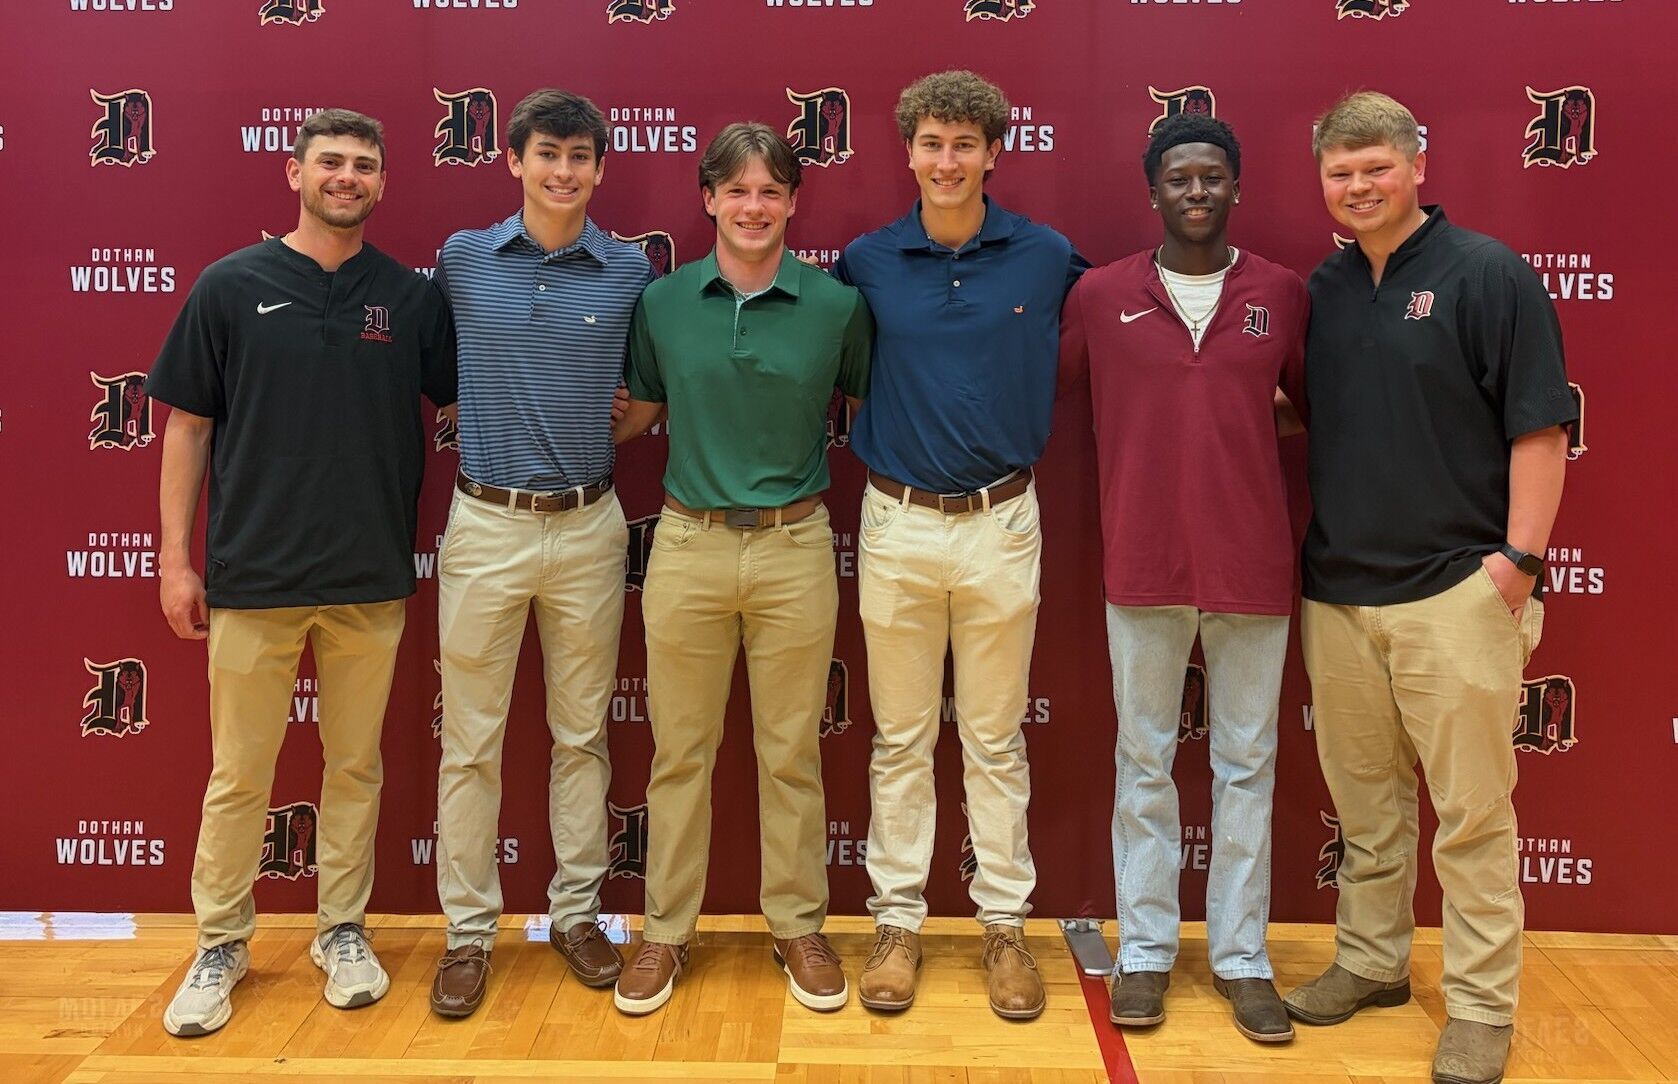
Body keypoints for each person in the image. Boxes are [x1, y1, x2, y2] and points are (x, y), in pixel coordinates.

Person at [1282, 91, 1573, 1084]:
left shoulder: (1487, 274)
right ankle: (1369, 962)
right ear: (1320, 181)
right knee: (1364, 811)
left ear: (1416, 165)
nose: (1357, 185)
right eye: (1338, 171)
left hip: (1457, 589)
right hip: (1337, 591)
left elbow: (1540, 428)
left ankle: (1483, 1005)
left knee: (1473, 816)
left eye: (1375, 166)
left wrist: (1516, 565)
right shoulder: (1319, 288)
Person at [147, 109, 457, 1036]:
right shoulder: (229, 286)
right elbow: (188, 428)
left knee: (354, 767)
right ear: (294, 172)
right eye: (331, 162)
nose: (347, 177)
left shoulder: (408, 296)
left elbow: (466, 401)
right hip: (253, 577)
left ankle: (341, 930)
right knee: (241, 773)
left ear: (383, 183)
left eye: (365, 165)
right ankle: (221, 942)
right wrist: (174, 560)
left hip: (370, 576)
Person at [832, 70, 1086, 1020]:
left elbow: (1121, 337)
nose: (948, 161)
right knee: (899, 738)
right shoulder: (866, 259)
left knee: (993, 739)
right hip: (896, 521)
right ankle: (896, 923)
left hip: (1003, 522)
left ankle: (1004, 928)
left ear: (993, 153)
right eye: (932, 143)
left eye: (965, 144)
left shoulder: (1045, 253)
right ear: (908, 152)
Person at [611, 122, 873, 1017]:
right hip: (686, 547)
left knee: (790, 753)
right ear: (708, 199)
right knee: (680, 752)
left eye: (770, 191)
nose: (753, 207)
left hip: (798, 546)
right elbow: (637, 414)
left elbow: (878, 408)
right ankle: (664, 934)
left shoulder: (836, 307)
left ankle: (798, 924)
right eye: (736, 191)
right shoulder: (663, 303)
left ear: (794, 201)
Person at [1058, 113, 1306, 1042]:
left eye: (1212, 177)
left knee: (1248, 766)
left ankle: (1243, 958)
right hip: (1143, 560)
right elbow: (1054, 389)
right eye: (1178, 179)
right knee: (1143, 761)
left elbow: (1306, 410)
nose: (1195, 192)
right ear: (1152, 191)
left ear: (1236, 186)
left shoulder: (1281, 292)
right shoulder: (1099, 295)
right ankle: (1149, 952)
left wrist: (1227, 433)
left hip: (1252, 564)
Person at [426, 88, 652, 1020]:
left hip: (591, 523)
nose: (564, 171)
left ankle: (576, 914)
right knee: (471, 742)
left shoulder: (630, 270)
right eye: (547, 154)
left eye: (580, 157)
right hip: (485, 523)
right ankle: (468, 934)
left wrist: (632, 423)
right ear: (512, 160)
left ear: (601, 169)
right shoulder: (463, 260)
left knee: (581, 735)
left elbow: (651, 393)